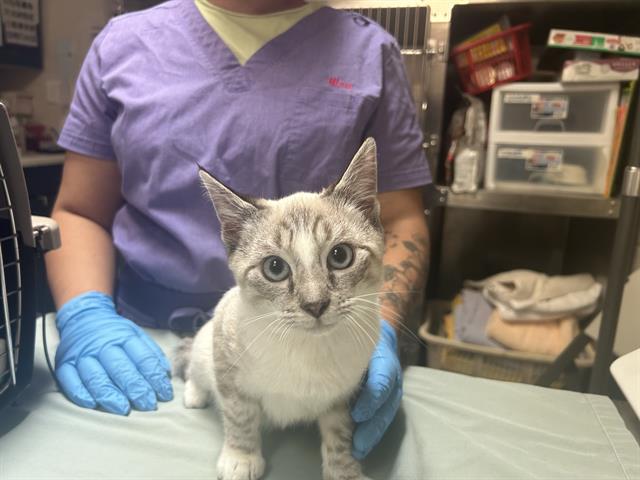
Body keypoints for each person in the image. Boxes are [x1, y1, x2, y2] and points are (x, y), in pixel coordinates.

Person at [46, 0, 431, 460]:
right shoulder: (120, 43)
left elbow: (399, 216)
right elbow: (80, 210)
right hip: (136, 343)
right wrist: (86, 315)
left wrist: (377, 327)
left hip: (332, 338)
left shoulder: (370, 51)